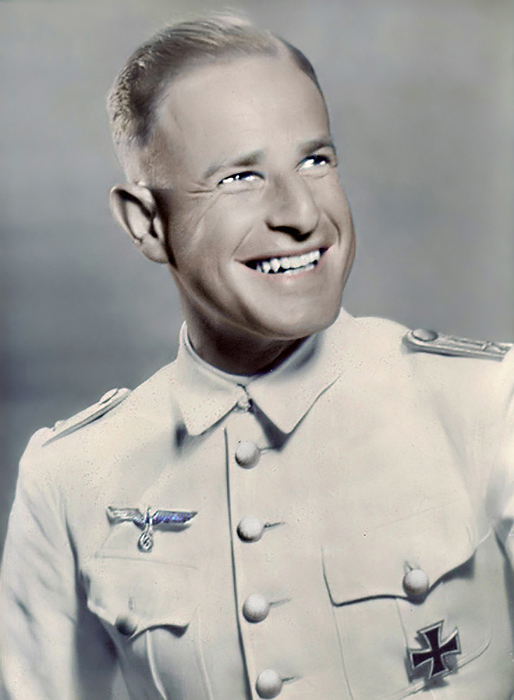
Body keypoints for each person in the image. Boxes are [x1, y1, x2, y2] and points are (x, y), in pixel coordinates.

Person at [1, 13, 514, 700]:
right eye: (240, 177)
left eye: (316, 161)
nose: (301, 213)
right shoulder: (71, 478)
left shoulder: (488, 404)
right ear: (146, 223)